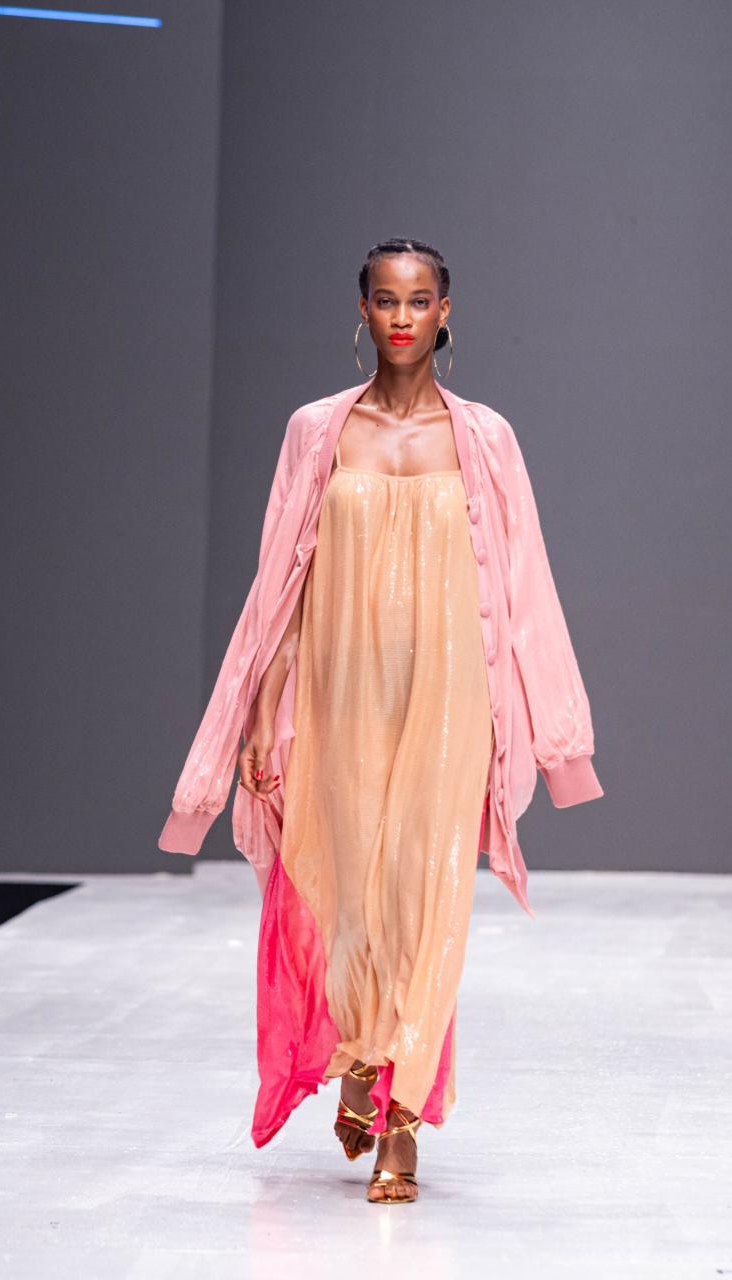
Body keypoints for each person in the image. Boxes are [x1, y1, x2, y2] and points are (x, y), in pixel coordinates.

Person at [158, 237, 604, 1205]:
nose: (403, 316)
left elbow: (525, 586)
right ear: (361, 310)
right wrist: (259, 714)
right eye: (386, 299)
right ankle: (359, 1053)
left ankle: (402, 1115)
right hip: (336, 690)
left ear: (446, 312)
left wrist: (557, 743)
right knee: (349, 884)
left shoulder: (485, 437)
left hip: (452, 694)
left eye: (420, 299)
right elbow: (279, 585)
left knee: (425, 891)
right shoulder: (315, 430)